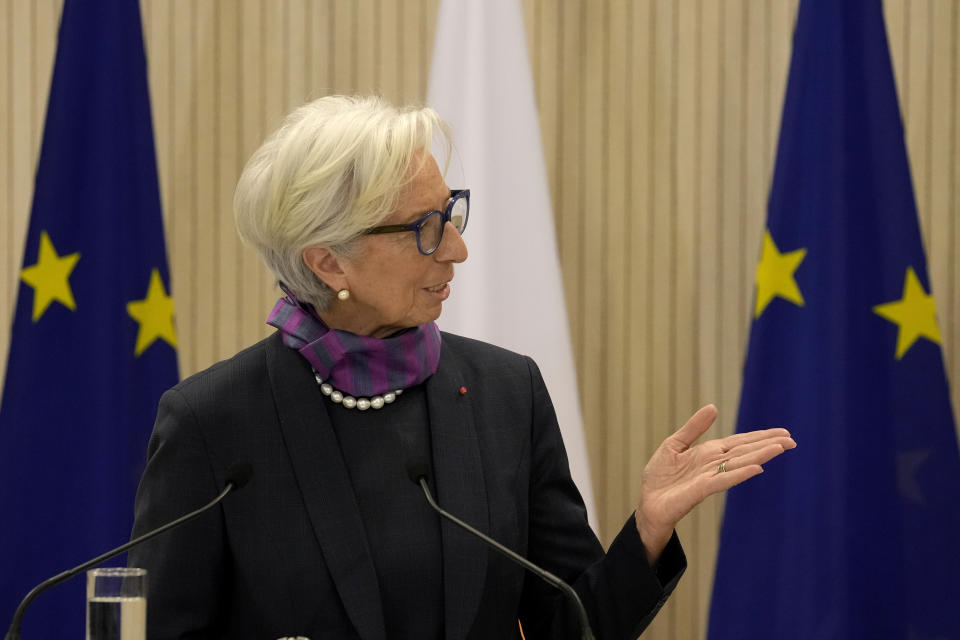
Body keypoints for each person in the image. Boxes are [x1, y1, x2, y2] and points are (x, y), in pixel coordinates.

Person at [129, 95, 795, 640]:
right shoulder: (213, 423)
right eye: (423, 227)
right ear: (328, 261)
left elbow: (570, 626)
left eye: (450, 212)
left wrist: (648, 528)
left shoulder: (507, 395)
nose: (457, 248)